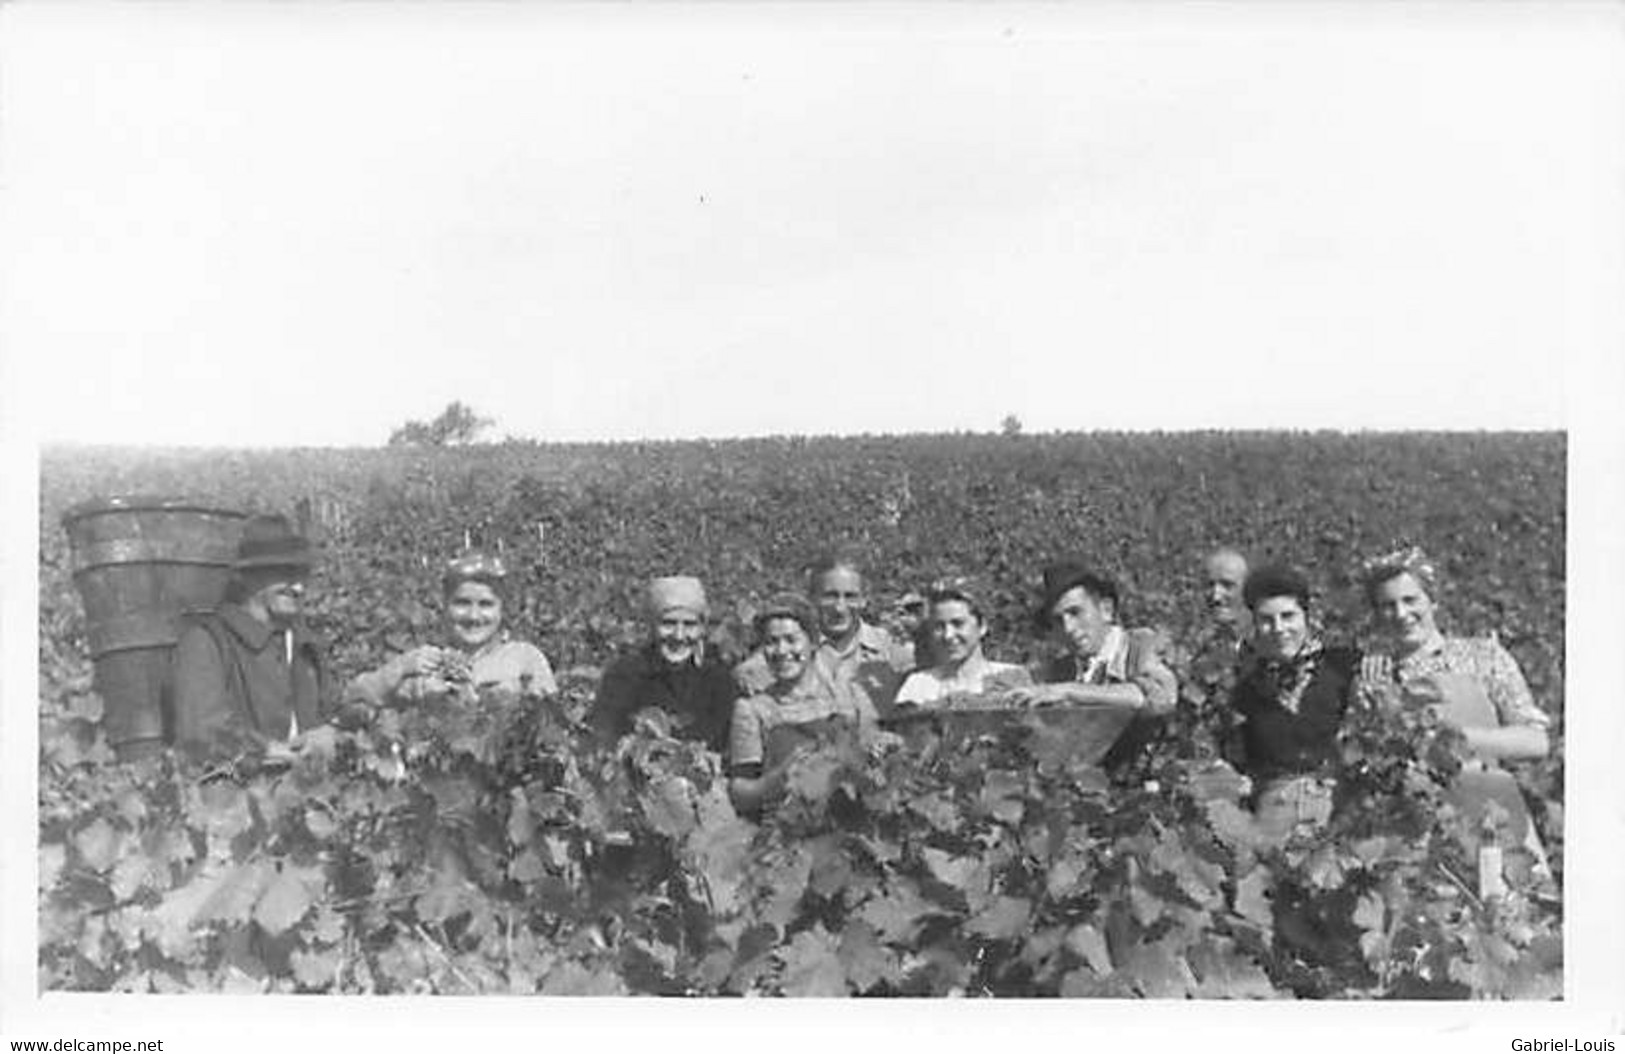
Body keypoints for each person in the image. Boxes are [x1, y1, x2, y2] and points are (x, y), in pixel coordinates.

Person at [1356, 547, 1552, 868]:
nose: (1401, 614)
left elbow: (1536, 742)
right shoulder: (1372, 676)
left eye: (1410, 600)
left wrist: (1454, 739)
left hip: (1490, 813)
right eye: (1387, 606)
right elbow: (1365, 764)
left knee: (1502, 906)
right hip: (1411, 831)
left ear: (1432, 600)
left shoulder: (1483, 657)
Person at [170, 514, 336, 757]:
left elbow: (330, 711)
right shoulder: (207, 643)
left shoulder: (305, 646)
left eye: (301, 575)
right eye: (285, 574)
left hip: (309, 788)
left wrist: (331, 732)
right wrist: (268, 750)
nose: (298, 587)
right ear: (247, 577)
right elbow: (200, 731)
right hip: (236, 789)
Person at [1005, 563, 1178, 778]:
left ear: (1106, 610)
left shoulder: (1144, 646)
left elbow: (1157, 697)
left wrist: (1070, 691)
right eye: (1058, 621)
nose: (1068, 628)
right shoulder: (1061, 670)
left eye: (1075, 612)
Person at [1226, 564, 1359, 842]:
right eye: (1267, 619)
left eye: (1288, 616)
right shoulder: (1245, 689)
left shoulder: (1343, 668)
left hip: (1337, 818)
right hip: (1274, 824)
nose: (1279, 629)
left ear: (1307, 617)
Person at [728, 593, 884, 814]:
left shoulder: (848, 695)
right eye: (772, 642)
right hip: (787, 826)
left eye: (791, 640)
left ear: (812, 643)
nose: (782, 651)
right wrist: (777, 779)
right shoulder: (753, 710)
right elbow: (740, 793)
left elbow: (874, 751)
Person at [346, 551, 557, 709]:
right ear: (444, 605)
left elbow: (549, 725)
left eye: (486, 604)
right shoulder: (427, 660)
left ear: (502, 609)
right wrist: (399, 669)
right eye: (462, 603)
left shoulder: (523, 659)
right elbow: (351, 699)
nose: (473, 616)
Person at [734, 556, 914, 715]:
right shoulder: (777, 659)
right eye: (830, 596)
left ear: (863, 600)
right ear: (811, 597)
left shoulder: (892, 656)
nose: (839, 608)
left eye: (850, 597)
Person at [593, 575, 737, 753]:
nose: (678, 635)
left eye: (689, 625)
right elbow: (602, 738)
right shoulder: (624, 675)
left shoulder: (718, 681)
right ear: (651, 625)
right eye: (668, 624)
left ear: (702, 629)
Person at [893, 582, 1033, 707]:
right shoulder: (919, 685)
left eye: (958, 624)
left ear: (982, 626)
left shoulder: (1012, 677)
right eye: (939, 627)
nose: (948, 635)